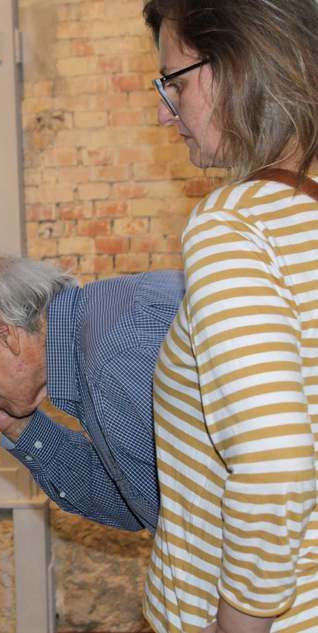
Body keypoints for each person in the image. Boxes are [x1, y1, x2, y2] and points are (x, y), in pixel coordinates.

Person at [142, 1, 318, 631]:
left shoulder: (233, 225)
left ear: (238, 66)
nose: (166, 113)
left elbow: (275, 467)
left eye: (176, 82)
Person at [0, 253, 183, 533]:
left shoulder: (115, 359)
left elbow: (193, 524)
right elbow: (139, 503)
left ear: (0, 331)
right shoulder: (97, 338)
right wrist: (15, 424)